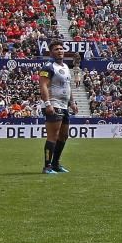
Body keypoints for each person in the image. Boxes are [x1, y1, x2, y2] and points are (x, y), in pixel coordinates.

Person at [38, 40, 78, 174]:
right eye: (56, 49)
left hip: (64, 105)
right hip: (54, 104)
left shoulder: (66, 67)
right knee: (53, 136)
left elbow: (68, 86)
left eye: (61, 48)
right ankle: (47, 166)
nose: (60, 51)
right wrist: (48, 104)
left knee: (64, 136)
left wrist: (72, 102)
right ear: (51, 52)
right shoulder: (48, 67)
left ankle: (56, 164)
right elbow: (43, 85)